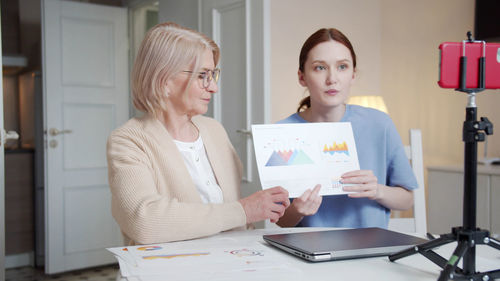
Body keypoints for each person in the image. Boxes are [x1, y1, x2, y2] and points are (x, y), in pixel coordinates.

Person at [106, 22, 290, 245]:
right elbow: (145, 221)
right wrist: (243, 210)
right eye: (203, 75)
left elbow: (238, 222)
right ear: (164, 81)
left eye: (213, 75)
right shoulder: (129, 140)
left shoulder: (214, 130)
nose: (213, 87)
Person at [276, 28, 417, 228]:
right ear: (302, 77)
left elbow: (408, 200)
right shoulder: (282, 134)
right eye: (319, 68)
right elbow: (281, 222)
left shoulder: (380, 124)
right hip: (308, 252)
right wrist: (297, 210)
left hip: (370, 250)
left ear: (353, 74)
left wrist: (377, 190)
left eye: (342, 66)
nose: (332, 78)